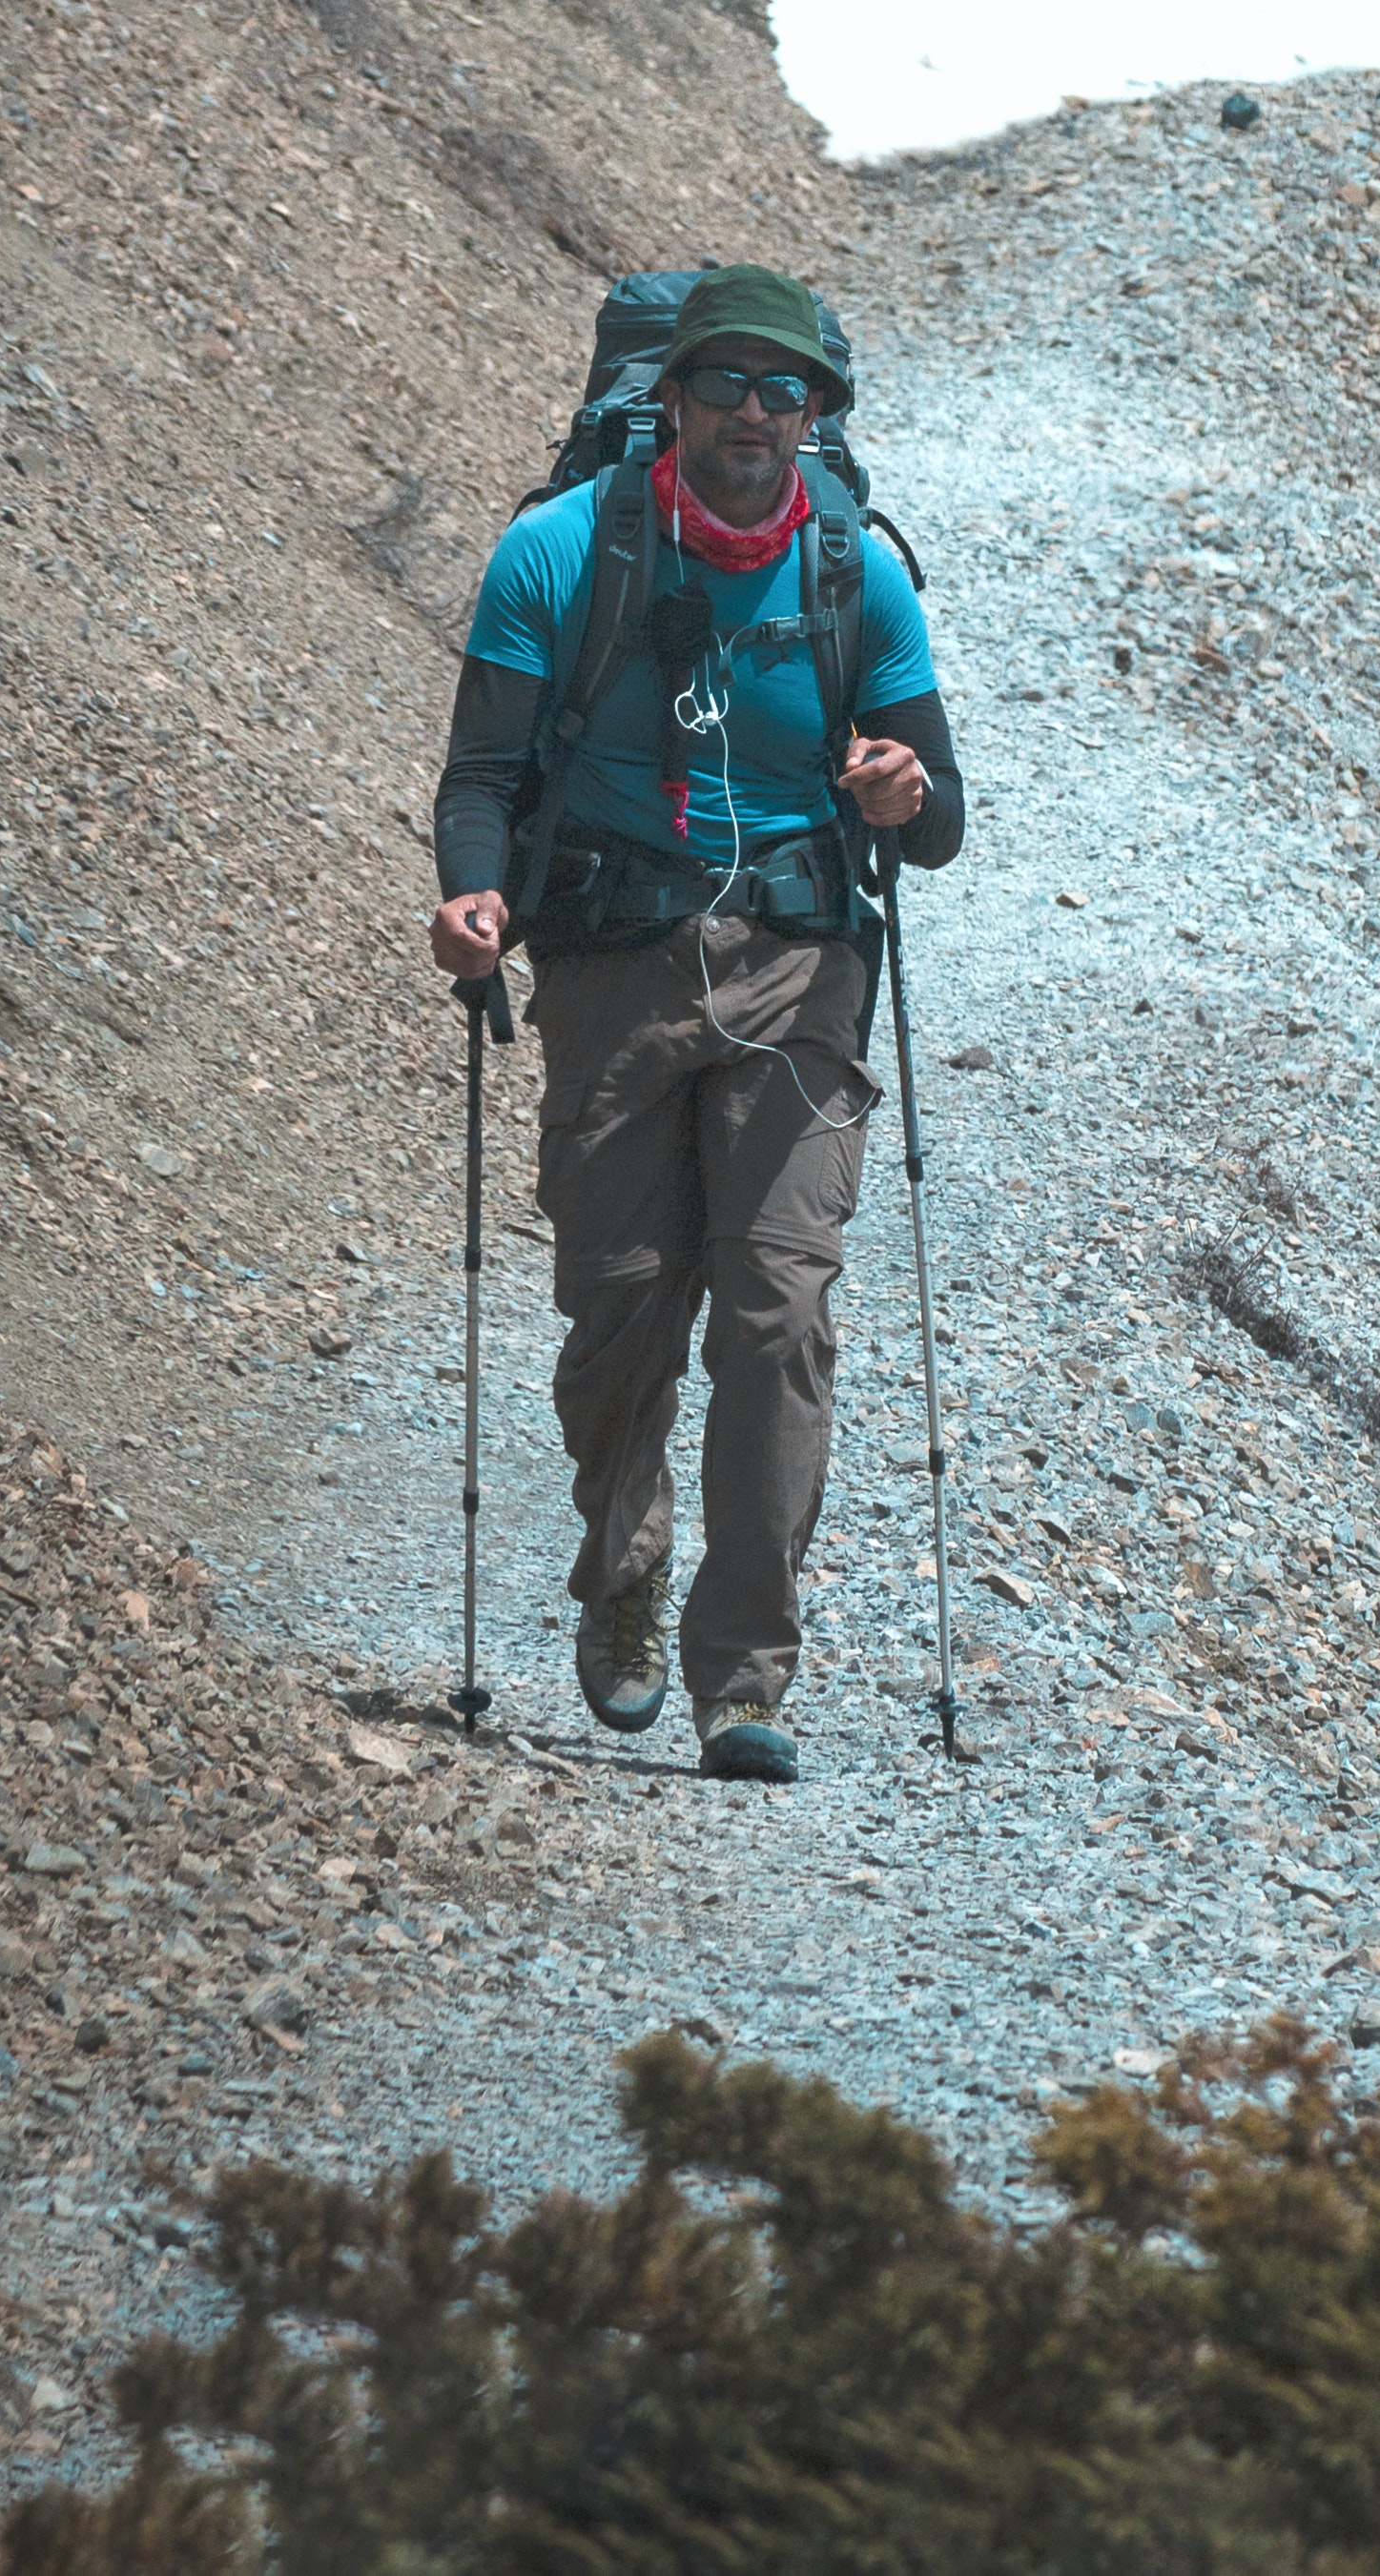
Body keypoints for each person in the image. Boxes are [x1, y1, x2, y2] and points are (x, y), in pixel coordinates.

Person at [425, 267, 963, 1780]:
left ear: (816, 415)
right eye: (724, 382)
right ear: (668, 397)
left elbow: (939, 826)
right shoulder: (559, 550)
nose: (752, 412)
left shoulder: (858, 573)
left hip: (800, 967)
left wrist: (901, 793)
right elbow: (483, 776)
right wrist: (473, 897)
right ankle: (623, 1571)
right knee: (620, 1310)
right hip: (614, 958)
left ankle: (745, 1675)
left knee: (778, 1311)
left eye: (783, 391)